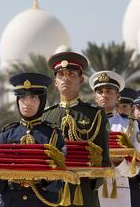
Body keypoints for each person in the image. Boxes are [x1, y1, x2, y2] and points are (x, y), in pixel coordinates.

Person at [0, 72, 66, 207]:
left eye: (33, 97)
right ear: (17, 101)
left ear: (42, 101)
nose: (27, 103)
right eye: (22, 97)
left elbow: (61, 182)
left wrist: (47, 179)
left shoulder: (54, 135)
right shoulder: (7, 134)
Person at [42, 52, 110, 207]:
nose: (66, 78)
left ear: (81, 80)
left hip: (83, 192)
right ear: (55, 82)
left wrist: (92, 181)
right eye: (61, 74)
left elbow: (104, 159)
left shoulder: (96, 115)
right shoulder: (46, 116)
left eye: (71, 74)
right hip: (51, 195)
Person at [89, 72, 140, 206]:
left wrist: (119, 163)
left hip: (116, 189)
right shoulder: (85, 123)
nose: (104, 95)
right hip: (88, 187)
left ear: (118, 96)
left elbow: (136, 168)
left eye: (109, 91)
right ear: (95, 97)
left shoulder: (128, 125)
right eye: (100, 91)